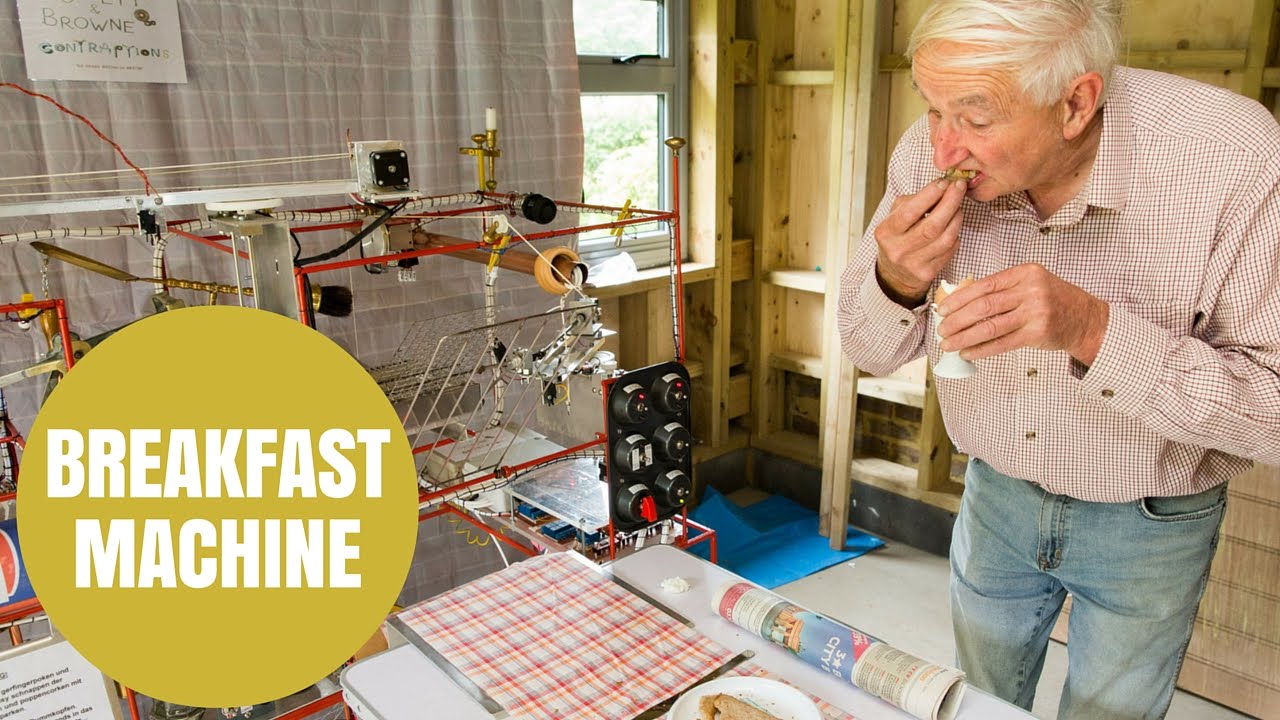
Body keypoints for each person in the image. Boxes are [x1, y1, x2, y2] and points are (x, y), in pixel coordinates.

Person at [836, 1, 1280, 718]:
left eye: (976, 120)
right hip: (993, 494)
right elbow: (867, 347)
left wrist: (1093, 331)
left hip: (1154, 517)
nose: (943, 150)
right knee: (978, 698)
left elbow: (1273, 411)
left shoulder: (1234, 158)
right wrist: (897, 280)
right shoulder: (932, 151)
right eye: (933, 109)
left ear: (1075, 104)